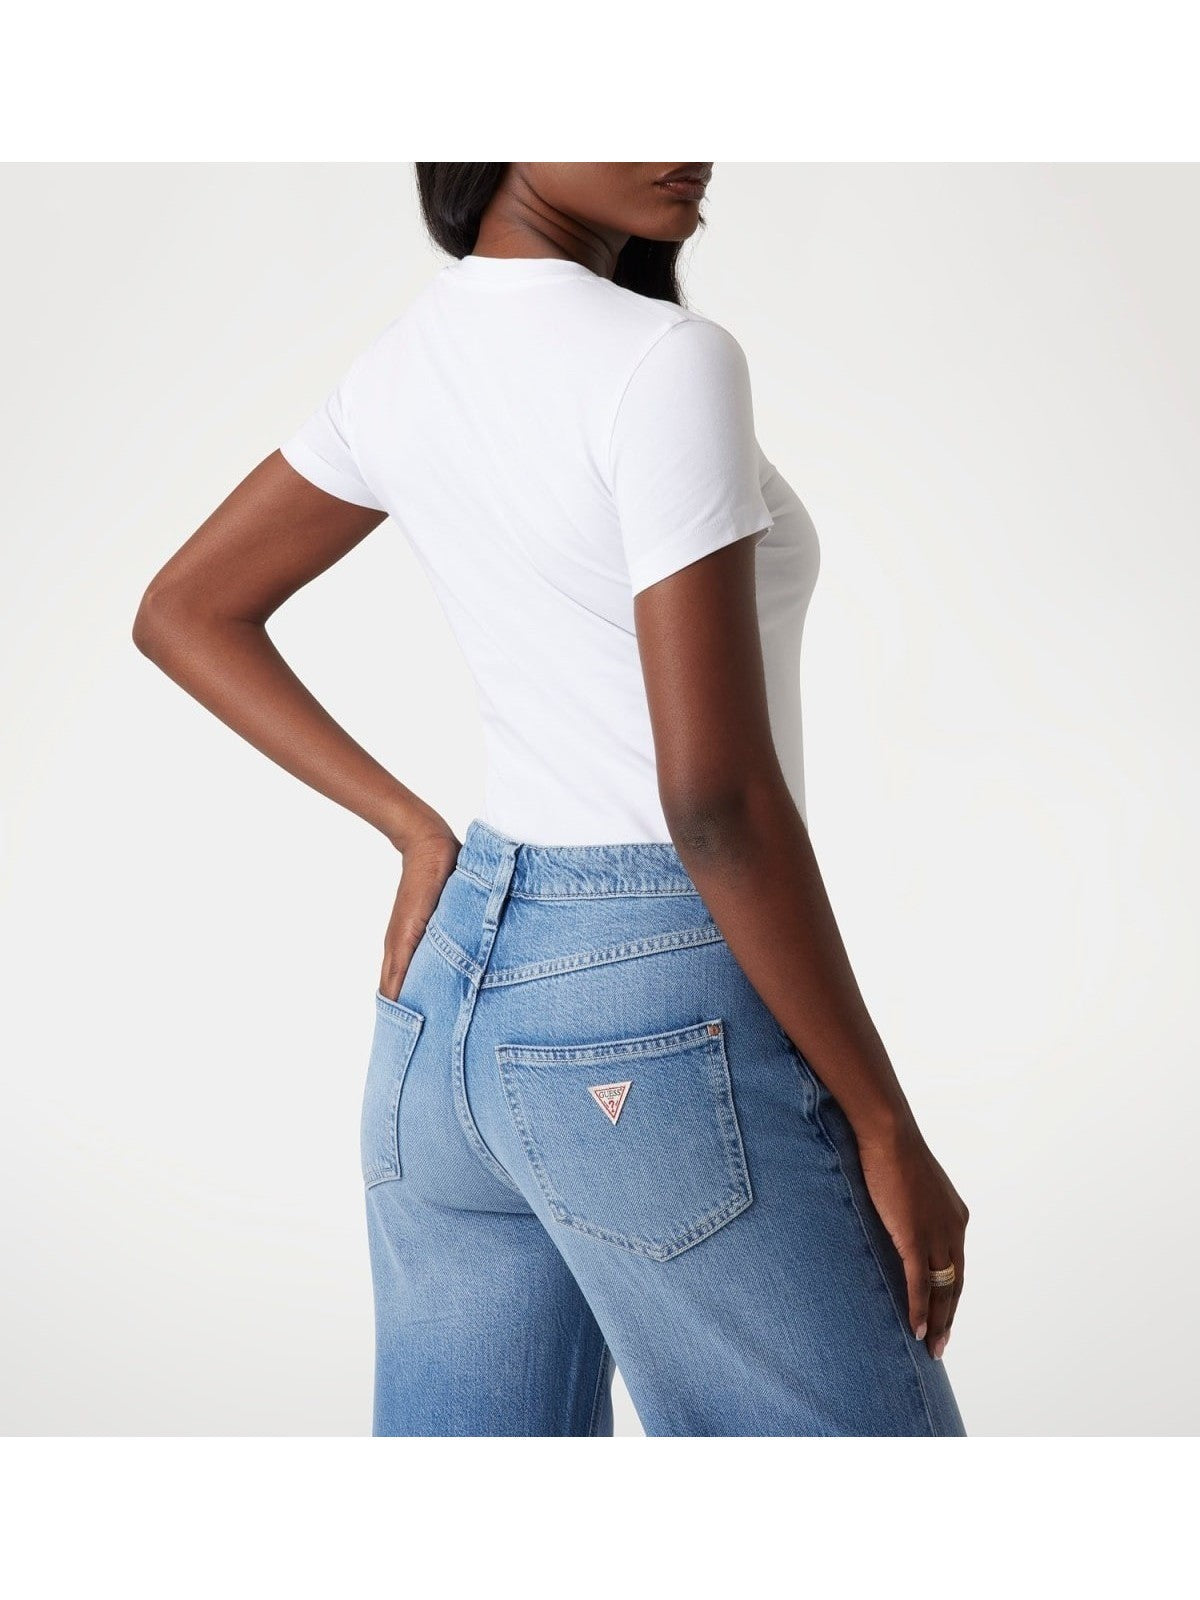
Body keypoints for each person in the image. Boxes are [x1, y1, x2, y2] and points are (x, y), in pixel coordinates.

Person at [132, 161, 969, 1437]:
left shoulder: (410, 358)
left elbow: (185, 608)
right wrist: (884, 1121)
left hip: (446, 1018)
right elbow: (714, 804)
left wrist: (422, 838)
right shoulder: (666, 361)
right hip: (650, 1008)